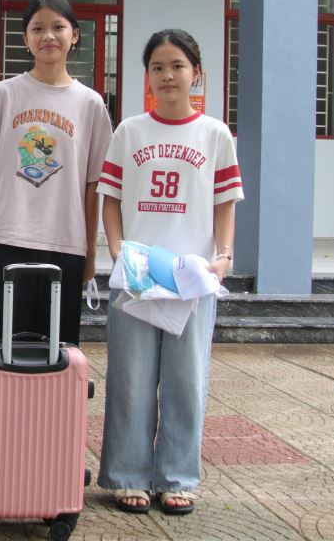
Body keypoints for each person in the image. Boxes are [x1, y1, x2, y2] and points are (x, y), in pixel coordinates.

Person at [95, 29, 243, 516]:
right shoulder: (130, 131)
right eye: (157, 67)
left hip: (191, 277)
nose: (167, 75)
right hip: (138, 274)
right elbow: (110, 198)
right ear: (147, 76)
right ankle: (128, 475)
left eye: (177, 65)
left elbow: (225, 203)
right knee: (131, 378)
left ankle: (177, 477)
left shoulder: (215, 135)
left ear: (196, 73)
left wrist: (224, 256)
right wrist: (117, 251)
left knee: (186, 380)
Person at [0, 0, 112, 345]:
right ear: (25, 39)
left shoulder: (90, 104)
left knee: (55, 353)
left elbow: (93, 186)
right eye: (37, 28)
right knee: (0, 351)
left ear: (74, 35)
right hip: (2, 239)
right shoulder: (2, 95)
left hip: (64, 244)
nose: (48, 36)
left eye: (58, 27)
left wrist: (90, 254)